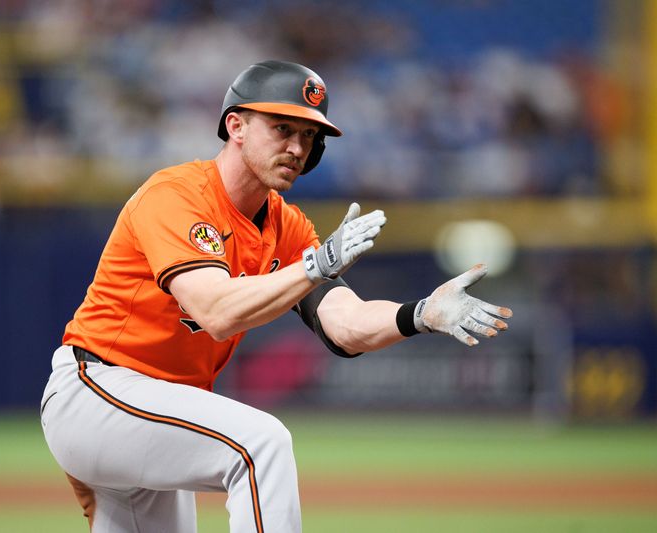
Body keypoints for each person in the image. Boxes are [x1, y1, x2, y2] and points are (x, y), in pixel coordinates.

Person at [40, 60, 513, 533]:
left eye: (308, 136)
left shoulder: (288, 228)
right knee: (259, 446)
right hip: (96, 390)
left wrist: (420, 314)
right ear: (236, 125)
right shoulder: (177, 194)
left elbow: (345, 324)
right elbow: (215, 311)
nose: (296, 146)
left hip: (156, 410)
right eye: (282, 127)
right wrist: (312, 267)